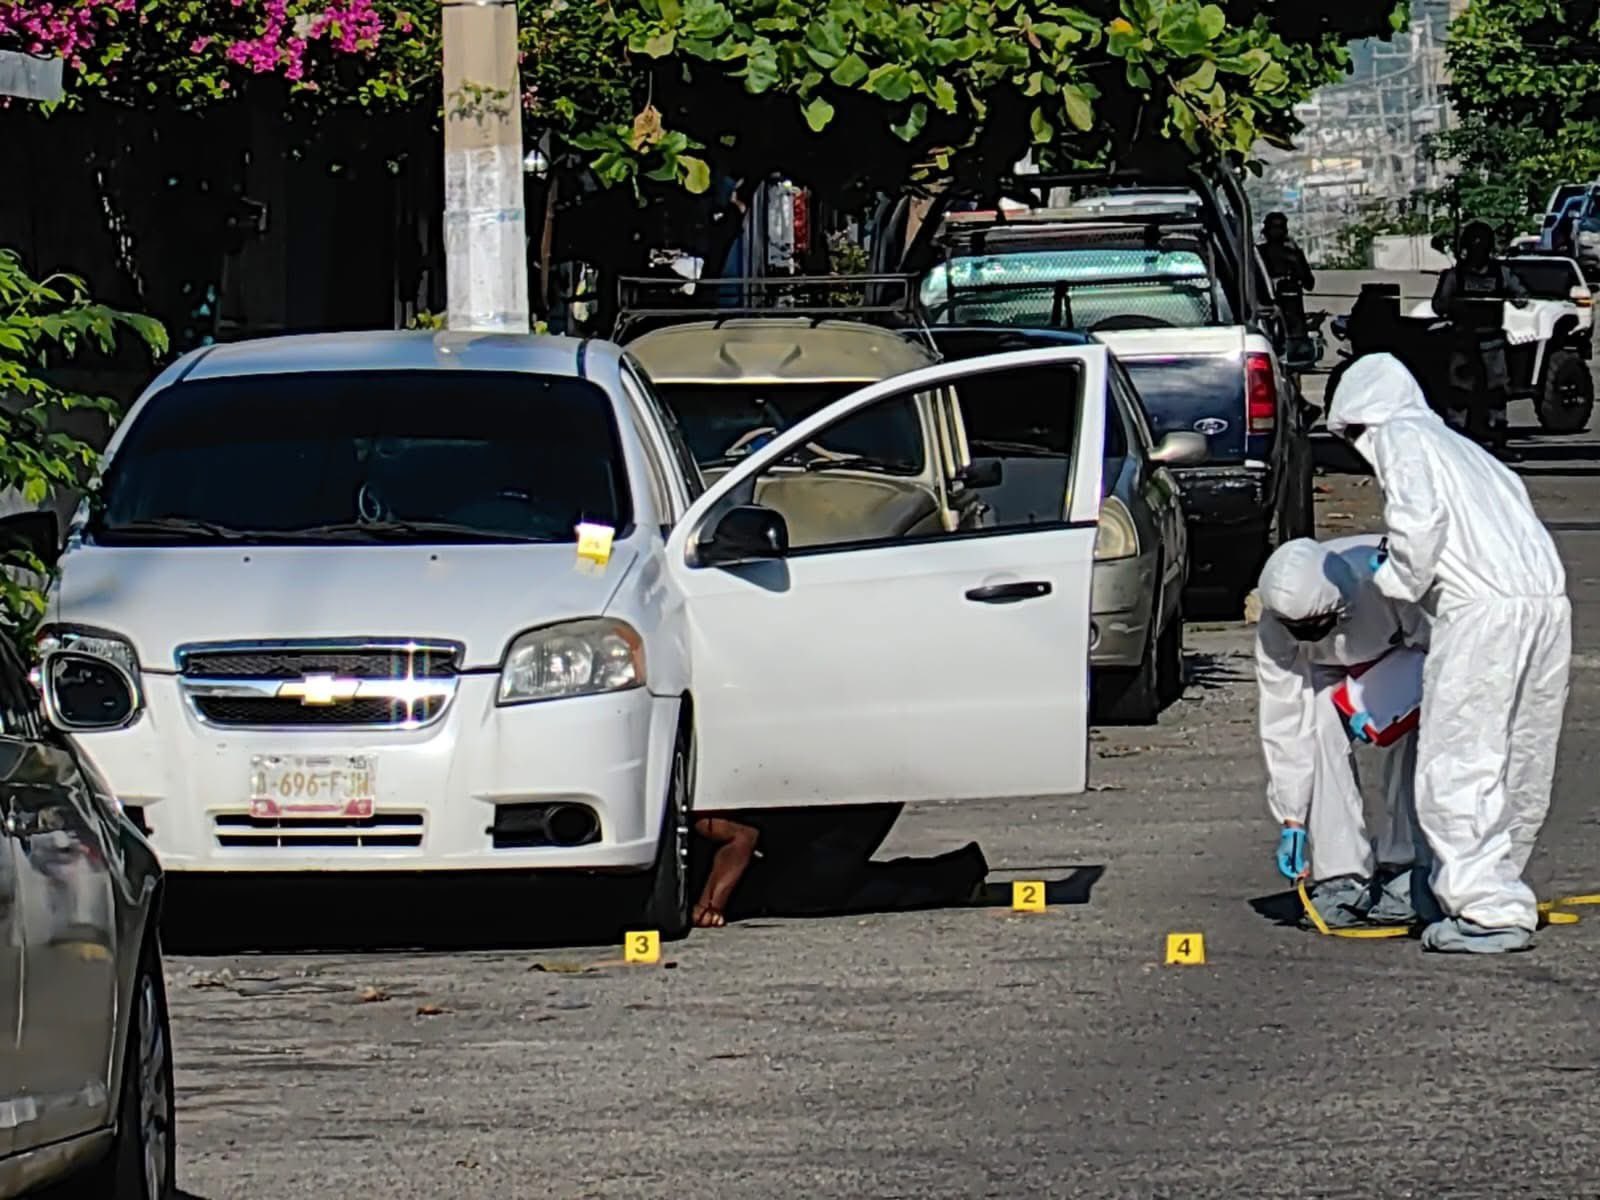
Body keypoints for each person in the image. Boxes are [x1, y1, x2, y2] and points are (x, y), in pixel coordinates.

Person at [1326, 353, 1571, 954]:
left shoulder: (1403, 439)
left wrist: (1393, 584)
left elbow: (1417, 529)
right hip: (1545, 602)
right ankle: (1495, 885)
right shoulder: (1468, 452)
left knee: (1460, 758)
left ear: (1365, 419)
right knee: (1518, 755)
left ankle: (1485, 909)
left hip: (1481, 612)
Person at [1257, 536, 1428, 929]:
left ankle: (1404, 866)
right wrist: (1291, 817)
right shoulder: (1275, 623)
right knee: (1315, 725)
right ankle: (1341, 875)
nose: (1303, 635)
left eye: (1314, 626)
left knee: (1410, 745)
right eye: (1294, 628)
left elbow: (1433, 645)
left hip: (1402, 658)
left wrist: (1388, 697)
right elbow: (1282, 714)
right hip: (1328, 675)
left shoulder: (1382, 579)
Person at [690, 806, 989, 927]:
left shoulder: (679, 815)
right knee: (807, 891)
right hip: (797, 820)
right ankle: (957, 876)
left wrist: (710, 906)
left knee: (809, 889)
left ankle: (955, 877)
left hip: (842, 796)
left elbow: (740, 836)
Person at [1431, 220, 1528, 460]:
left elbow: (1522, 298)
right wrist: (1456, 305)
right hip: (1462, 343)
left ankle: (1497, 440)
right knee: (1458, 394)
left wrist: (1511, 296)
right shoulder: (1455, 276)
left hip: (1492, 343)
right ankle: (1456, 443)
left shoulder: (1501, 274)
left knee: (1496, 394)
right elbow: (1439, 306)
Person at [1258, 212, 1316, 293]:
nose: (1277, 231)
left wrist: (1296, 262)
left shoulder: (1294, 253)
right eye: (1274, 227)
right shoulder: (1259, 254)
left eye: (1280, 227)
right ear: (1267, 230)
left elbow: (1309, 284)